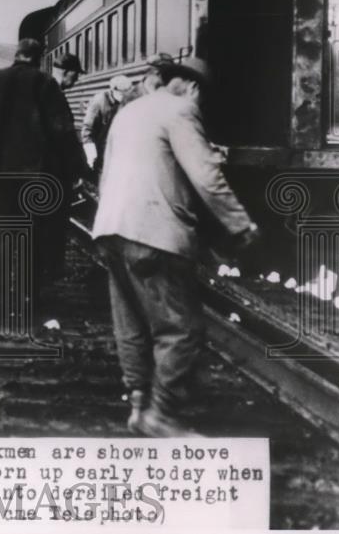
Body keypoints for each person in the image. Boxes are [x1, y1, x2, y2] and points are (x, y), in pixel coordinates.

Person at [93, 57, 260, 437]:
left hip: (110, 228)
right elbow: (206, 176)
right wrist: (239, 224)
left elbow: (110, 169)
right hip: (153, 232)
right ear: (195, 87)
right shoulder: (183, 110)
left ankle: (138, 406)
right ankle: (161, 415)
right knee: (181, 329)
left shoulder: (130, 111)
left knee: (131, 322)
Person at [0, 38, 85, 328]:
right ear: (39, 57)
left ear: (18, 55)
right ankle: (27, 295)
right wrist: (77, 168)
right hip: (33, 174)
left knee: (1, 231)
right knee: (32, 234)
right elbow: (62, 130)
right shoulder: (45, 84)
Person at [81, 74, 133, 174]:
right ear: (113, 90)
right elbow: (87, 129)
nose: (126, 97)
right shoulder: (99, 101)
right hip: (101, 147)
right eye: (123, 94)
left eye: (128, 93)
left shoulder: (127, 100)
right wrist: (91, 154)